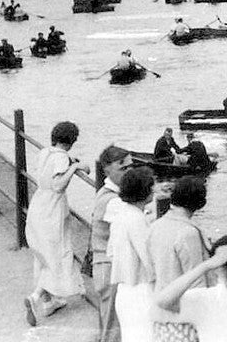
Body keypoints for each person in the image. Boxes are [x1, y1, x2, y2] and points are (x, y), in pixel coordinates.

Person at [25, 121, 90, 326]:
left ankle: (49, 301)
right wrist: (75, 167)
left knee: (44, 255)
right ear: (71, 141)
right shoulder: (62, 158)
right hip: (52, 208)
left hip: (38, 204)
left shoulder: (46, 152)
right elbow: (58, 184)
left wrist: (70, 162)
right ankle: (36, 297)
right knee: (58, 254)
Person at [148, 175, 212, 340]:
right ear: (199, 203)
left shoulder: (154, 227)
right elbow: (196, 279)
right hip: (184, 320)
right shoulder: (188, 232)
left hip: (160, 315)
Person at [107, 167, 157, 342]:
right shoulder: (137, 220)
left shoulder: (120, 216)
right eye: (151, 186)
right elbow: (150, 259)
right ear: (144, 191)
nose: (154, 189)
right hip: (141, 291)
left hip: (124, 290)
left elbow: (111, 253)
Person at [90, 145, 133, 342]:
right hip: (109, 268)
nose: (129, 172)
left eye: (131, 167)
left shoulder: (110, 193)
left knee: (111, 323)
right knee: (113, 327)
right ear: (107, 170)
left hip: (106, 265)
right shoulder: (112, 201)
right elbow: (131, 226)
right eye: (123, 168)